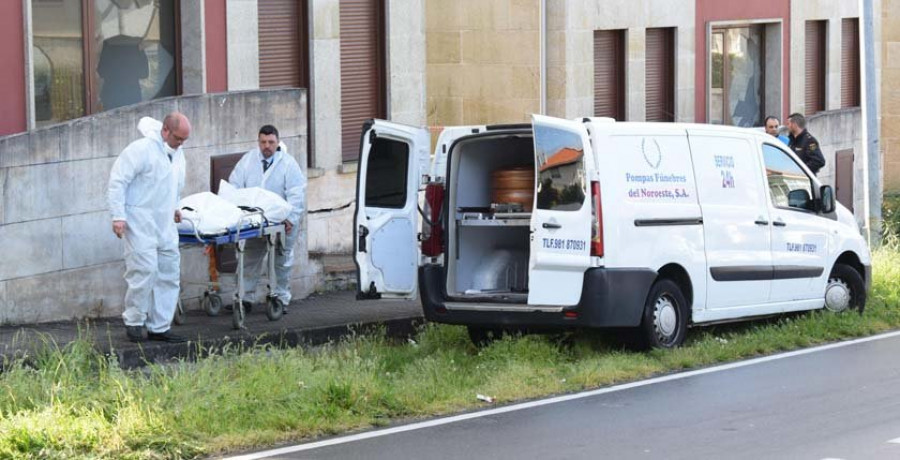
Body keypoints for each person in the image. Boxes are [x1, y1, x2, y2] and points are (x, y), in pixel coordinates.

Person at [108, 112, 190, 343]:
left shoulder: (177, 153)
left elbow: (174, 183)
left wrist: (175, 206)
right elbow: (118, 181)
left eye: (185, 140)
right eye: (178, 138)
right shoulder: (141, 149)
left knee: (168, 272)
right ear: (165, 131)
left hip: (164, 221)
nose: (181, 143)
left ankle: (160, 326)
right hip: (139, 218)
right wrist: (118, 216)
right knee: (144, 270)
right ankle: (134, 321)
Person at [228, 125, 307, 312]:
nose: (267, 146)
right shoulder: (248, 161)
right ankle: (244, 298)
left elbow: (297, 193)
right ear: (258, 142)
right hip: (255, 220)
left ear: (277, 142)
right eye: (263, 142)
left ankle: (280, 299)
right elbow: (234, 186)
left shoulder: (288, 164)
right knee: (249, 258)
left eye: (271, 142)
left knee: (281, 260)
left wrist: (290, 218)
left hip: (283, 222)